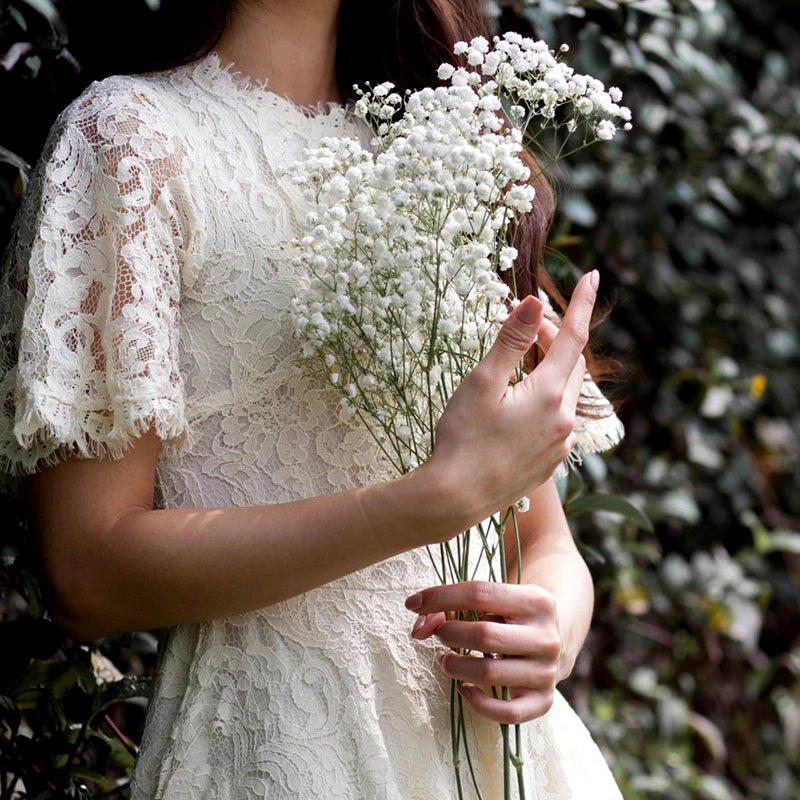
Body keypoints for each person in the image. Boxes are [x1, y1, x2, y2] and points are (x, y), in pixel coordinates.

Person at [0, 0, 625, 797]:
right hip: (283, 746)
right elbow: (85, 576)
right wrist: (419, 505)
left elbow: (541, 537)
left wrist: (553, 627)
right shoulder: (131, 141)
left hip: (505, 751)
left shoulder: (436, 142)